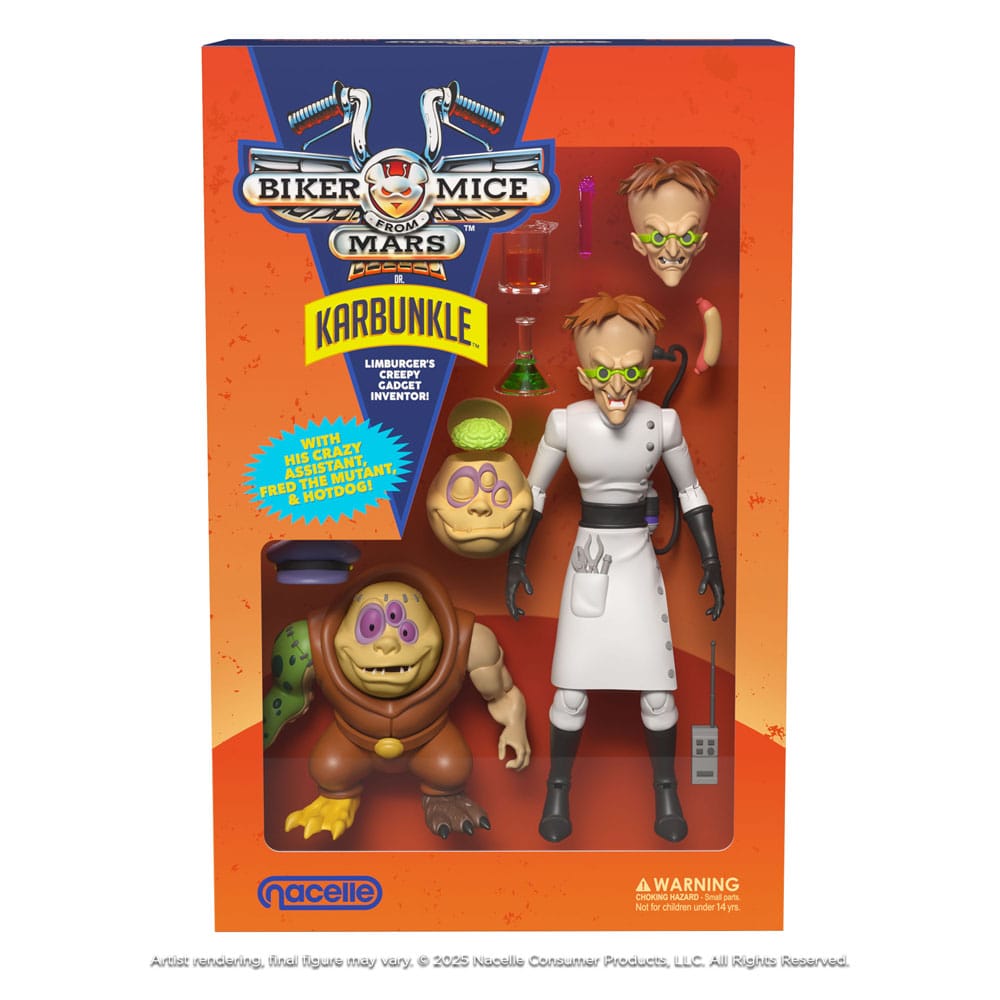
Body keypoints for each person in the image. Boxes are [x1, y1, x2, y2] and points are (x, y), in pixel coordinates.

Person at [506, 292, 723, 843]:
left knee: (657, 692)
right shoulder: (565, 423)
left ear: (648, 373)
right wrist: (516, 556)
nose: (618, 385)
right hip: (590, 558)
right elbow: (533, 495)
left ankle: (667, 791)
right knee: (571, 692)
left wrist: (712, 558)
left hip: (637, 562)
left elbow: (691, 492)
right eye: (603, 371)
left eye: (630, 370)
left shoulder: (663, 424)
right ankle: (558, 791)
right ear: (584, 374)